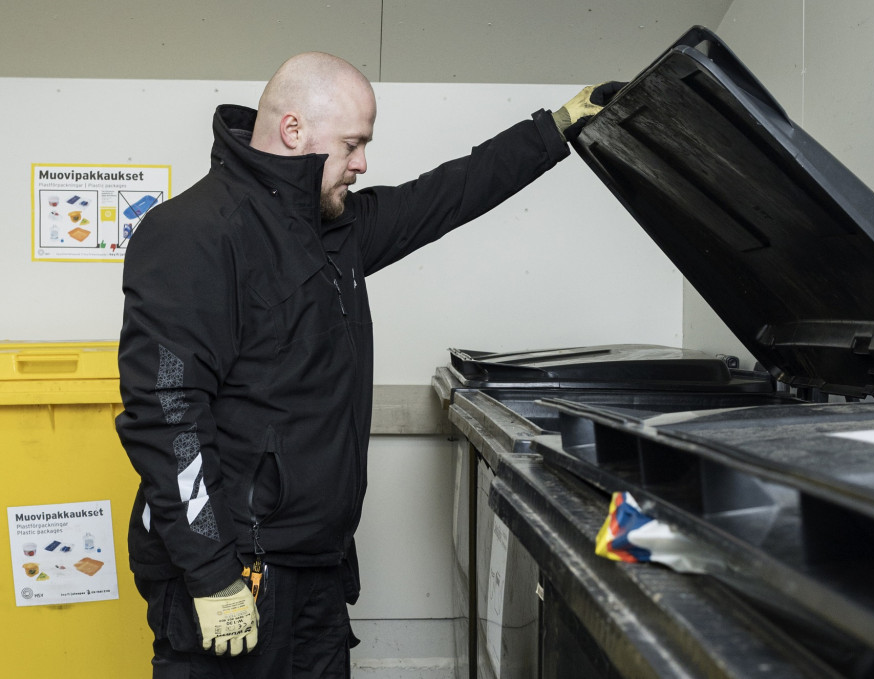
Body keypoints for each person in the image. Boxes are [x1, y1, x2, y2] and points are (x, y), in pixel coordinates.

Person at [115, 51, 621, 678]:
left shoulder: (336, 230)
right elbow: (167, 416)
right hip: (234, 567)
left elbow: (447, 194)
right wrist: (213, 574)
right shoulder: (193, 233)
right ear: (295, 131)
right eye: (352, 145)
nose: (362, 164)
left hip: (317, 568)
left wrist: (555, 128)